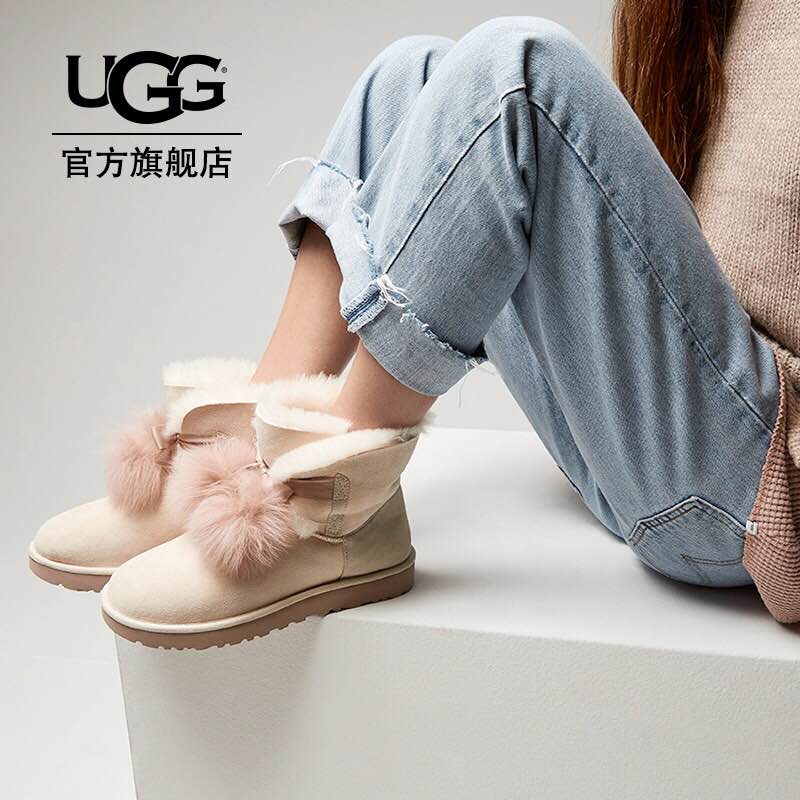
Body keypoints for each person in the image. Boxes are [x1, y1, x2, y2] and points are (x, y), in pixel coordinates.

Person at [30, 1, 800, 648]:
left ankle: (333, 505)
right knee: (410, 78)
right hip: (667, 439)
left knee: (519, 74)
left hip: (763, 487)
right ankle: (242, 453)